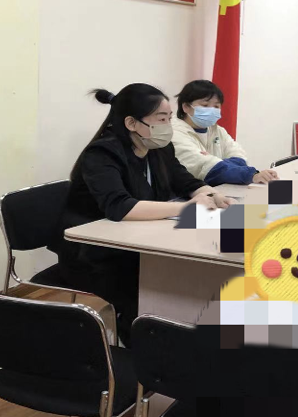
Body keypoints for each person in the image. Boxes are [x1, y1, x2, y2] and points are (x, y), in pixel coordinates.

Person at [53, 84, 234, 345]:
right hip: (94, 254)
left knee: (194, 275)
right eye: (161, 119)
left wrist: (209, 193)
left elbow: (184, 180)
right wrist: (186, 208)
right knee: (155, 292)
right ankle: (146, 351)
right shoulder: (102, 154)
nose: (168, 126)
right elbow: (121, 207)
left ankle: (190, 339)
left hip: (139, 243)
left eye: (169, 118)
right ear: (131, 123)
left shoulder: (158, 147)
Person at [171, 80, 279, 186]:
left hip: (218, 189)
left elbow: (238, 155)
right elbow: (203, 167)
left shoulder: (217, 130)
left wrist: (216, 162)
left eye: (216, 106)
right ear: (186, 107)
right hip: (189, 193)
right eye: (205, 105)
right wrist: (251, 175)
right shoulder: (174, 133)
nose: (211, 110)